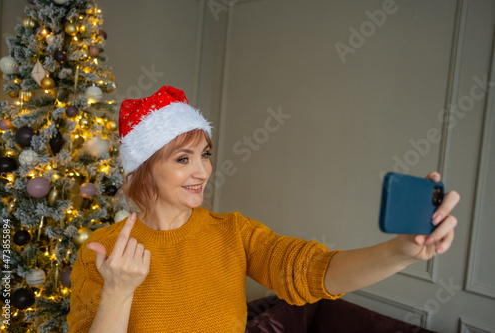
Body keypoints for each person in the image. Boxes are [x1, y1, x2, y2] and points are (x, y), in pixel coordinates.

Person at [67, 85, 460, 332]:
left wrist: (399, 252)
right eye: (182, 159)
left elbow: (312, 272)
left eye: (205, 154)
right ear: (144, 169)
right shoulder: (102, 251)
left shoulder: (233, 232)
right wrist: (118, 291)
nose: (203, 170)